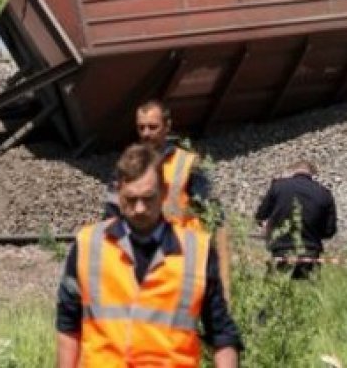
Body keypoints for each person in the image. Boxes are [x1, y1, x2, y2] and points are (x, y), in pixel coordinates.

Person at [57, 143, 242, 368]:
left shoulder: (197, 251)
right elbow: (68, 324)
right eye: (131, 199)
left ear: (163, 192)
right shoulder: (88, 244)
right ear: (118, 192)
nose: (140, 209)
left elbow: (222, 334)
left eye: (148, 198)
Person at [104, 100, 233, 301]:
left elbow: (214, 219)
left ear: (167, 126)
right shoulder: (127, 166)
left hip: (183, 262)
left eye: (152, 127)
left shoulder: (187, 164)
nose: (146, 133)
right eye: (141, 127)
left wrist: (221, 281)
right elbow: (110, 219)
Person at [254, 160, 338, 279]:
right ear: (312, 174)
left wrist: (268, 227)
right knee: (308, 293)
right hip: (310, 251)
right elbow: (329, 231)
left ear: (292, 171)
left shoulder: (278, 186)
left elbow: (260, 216)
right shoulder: (324, 193)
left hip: (281, 250)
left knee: (274, 291)